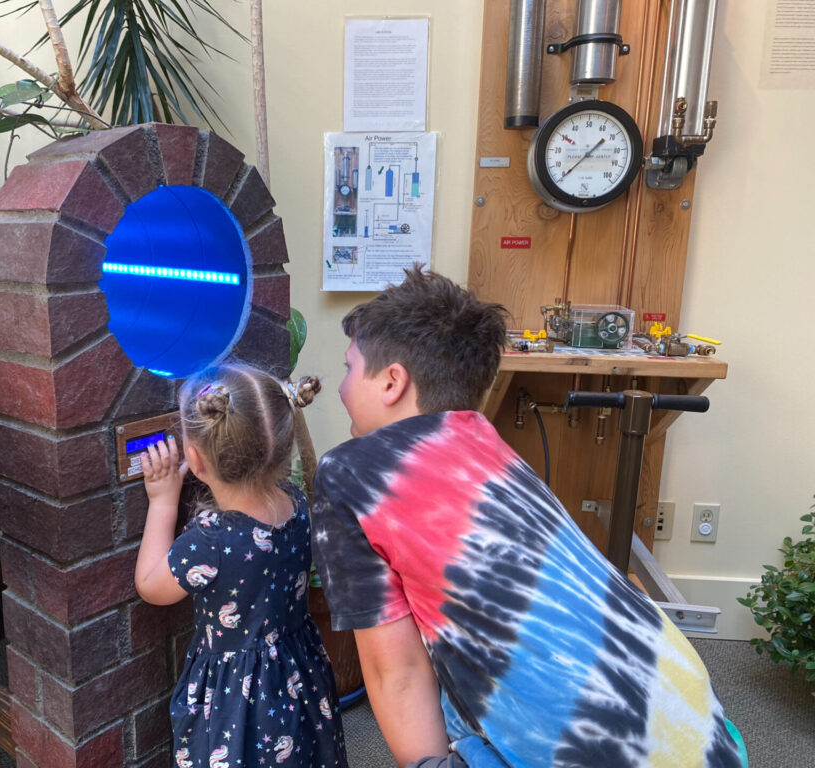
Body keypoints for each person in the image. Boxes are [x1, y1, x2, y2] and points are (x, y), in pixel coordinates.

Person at [311, 267, 744, 768]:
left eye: (348, 368)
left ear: (392, 382)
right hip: (703, 730)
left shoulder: (354, 472)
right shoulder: (489, 446)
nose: (340, 387)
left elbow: (396, 672)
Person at [134, 363, 350, 768]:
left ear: (194, 461)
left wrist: (163, 500)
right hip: (298, 671)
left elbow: (150, 585)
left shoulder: (212, 539)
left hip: (240, 696)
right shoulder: (297, 502)